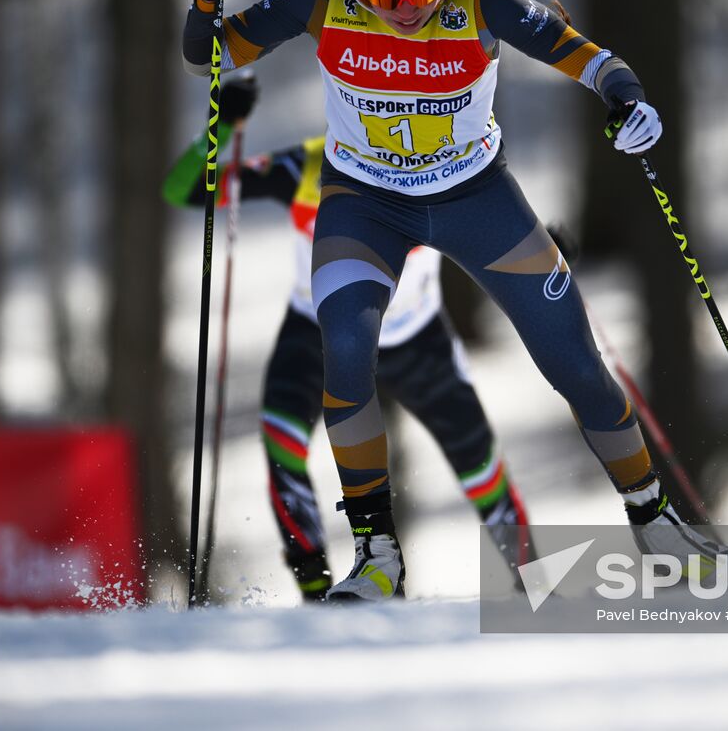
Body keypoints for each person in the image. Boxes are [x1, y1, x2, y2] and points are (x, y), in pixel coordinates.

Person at [183, 0, 725, 601]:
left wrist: (628, 105)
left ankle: (654, 521)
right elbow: (210, 59)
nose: (407, 11)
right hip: (365, 201)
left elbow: (593, 61)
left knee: (575, 362)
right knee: (344, 351)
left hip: (473, 197)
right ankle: (378, 555)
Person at [163, 74, 532, 601]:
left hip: (414, 337)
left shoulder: (443, 164)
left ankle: (534, 589)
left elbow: (495, 227)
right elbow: (183, 190)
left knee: (479, 465)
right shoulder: (308, 166)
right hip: (315, 331)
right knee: (282, 444)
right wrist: (222, 123)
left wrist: (541, 260)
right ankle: (316, 592)